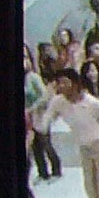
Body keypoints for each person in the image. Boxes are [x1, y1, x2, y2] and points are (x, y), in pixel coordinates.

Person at [40, 69, 99, 198]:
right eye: (59, 83)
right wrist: (43, 126)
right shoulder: (58, 102)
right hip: (84, 147)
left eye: (64, 82)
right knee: (90, 186)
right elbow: (47, 117)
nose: (60, 86)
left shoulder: (92, 103)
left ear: (75, 84)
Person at [25, 44, 62, 182]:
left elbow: (44, 96)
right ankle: (42, 172)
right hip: (27, 116)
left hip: (39, 113)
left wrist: (34, 107)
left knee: (46, 142)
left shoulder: (33, 77)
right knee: (35, 147)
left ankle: (56, 169)